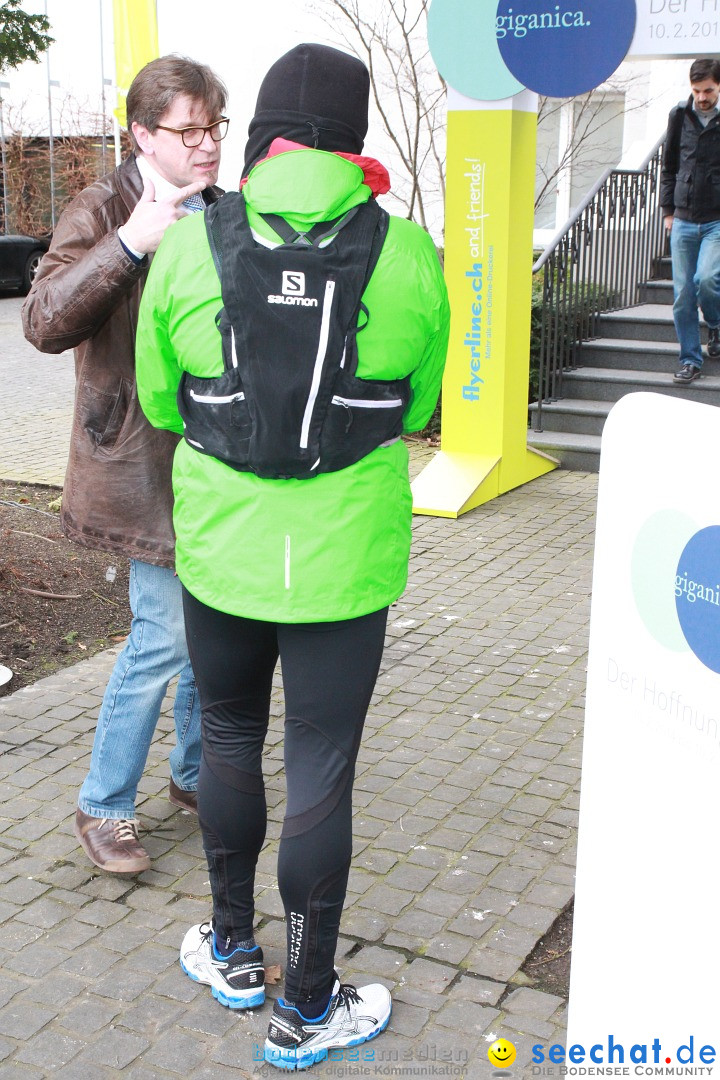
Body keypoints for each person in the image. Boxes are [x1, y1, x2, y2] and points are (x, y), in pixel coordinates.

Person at [135, 43, 449, 1070]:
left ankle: (230, 950)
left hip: (223, 551)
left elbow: (157, 399)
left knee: (225, 733)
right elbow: (423, 397)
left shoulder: (191, 244)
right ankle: (307, 1005)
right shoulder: (407, 253)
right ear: (354, 139)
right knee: (321, 767)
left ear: (263, 129)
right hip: (343, 559)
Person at [21, 55, 228, 874]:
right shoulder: (101, 206)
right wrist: (132, 242)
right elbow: (41, 320)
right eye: (190, 130)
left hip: (216, 460)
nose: (209, 144)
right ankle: (103, 805)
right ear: (143, 134)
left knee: (215, 630)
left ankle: (192, 775)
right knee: (164, 633)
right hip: (139, 465)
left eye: (216, 126)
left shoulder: (225, 208)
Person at [661, 57, 720, 384]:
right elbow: (669, 167)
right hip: (682, 219)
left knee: (707, 280)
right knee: (683, 295)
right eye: (696, 90)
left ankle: (715, 322)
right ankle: (690, 360)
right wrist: (668, 211)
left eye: (708, 90)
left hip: (716, 220)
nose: (701, 97)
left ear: (719, 86)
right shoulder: (679, 116)